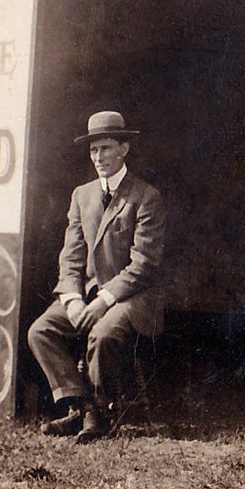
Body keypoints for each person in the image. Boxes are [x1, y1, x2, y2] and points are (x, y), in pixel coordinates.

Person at [27, 110, 166, 442]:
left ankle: (97, 415)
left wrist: (104, 300)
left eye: (105, 148)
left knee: (102, 335)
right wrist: (73, 299)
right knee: (41, 331)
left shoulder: (146, 197)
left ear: (124, 149)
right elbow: (71, 256)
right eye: (93, 151)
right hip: (88, 296)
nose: (99, 157)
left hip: (133, 297)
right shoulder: (82, 195)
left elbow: (143, 265)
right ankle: (86, 410)